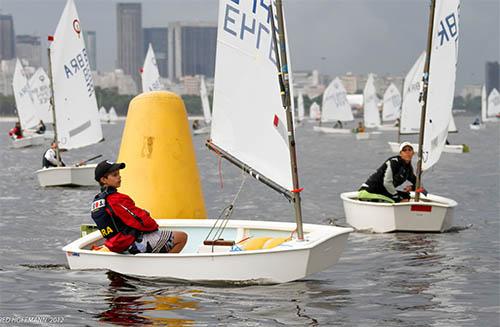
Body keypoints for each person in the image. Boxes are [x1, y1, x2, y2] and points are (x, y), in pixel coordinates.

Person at [91, 160, 188, 254]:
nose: (119, 177)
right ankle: (163, 266)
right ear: (103, 180)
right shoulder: (117, 199)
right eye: (114, 175)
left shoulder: (97, 201)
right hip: (129, 243)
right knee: (181, 237)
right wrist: (149, 219)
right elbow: (142, 221)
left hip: (114, 244)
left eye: (119, 174)